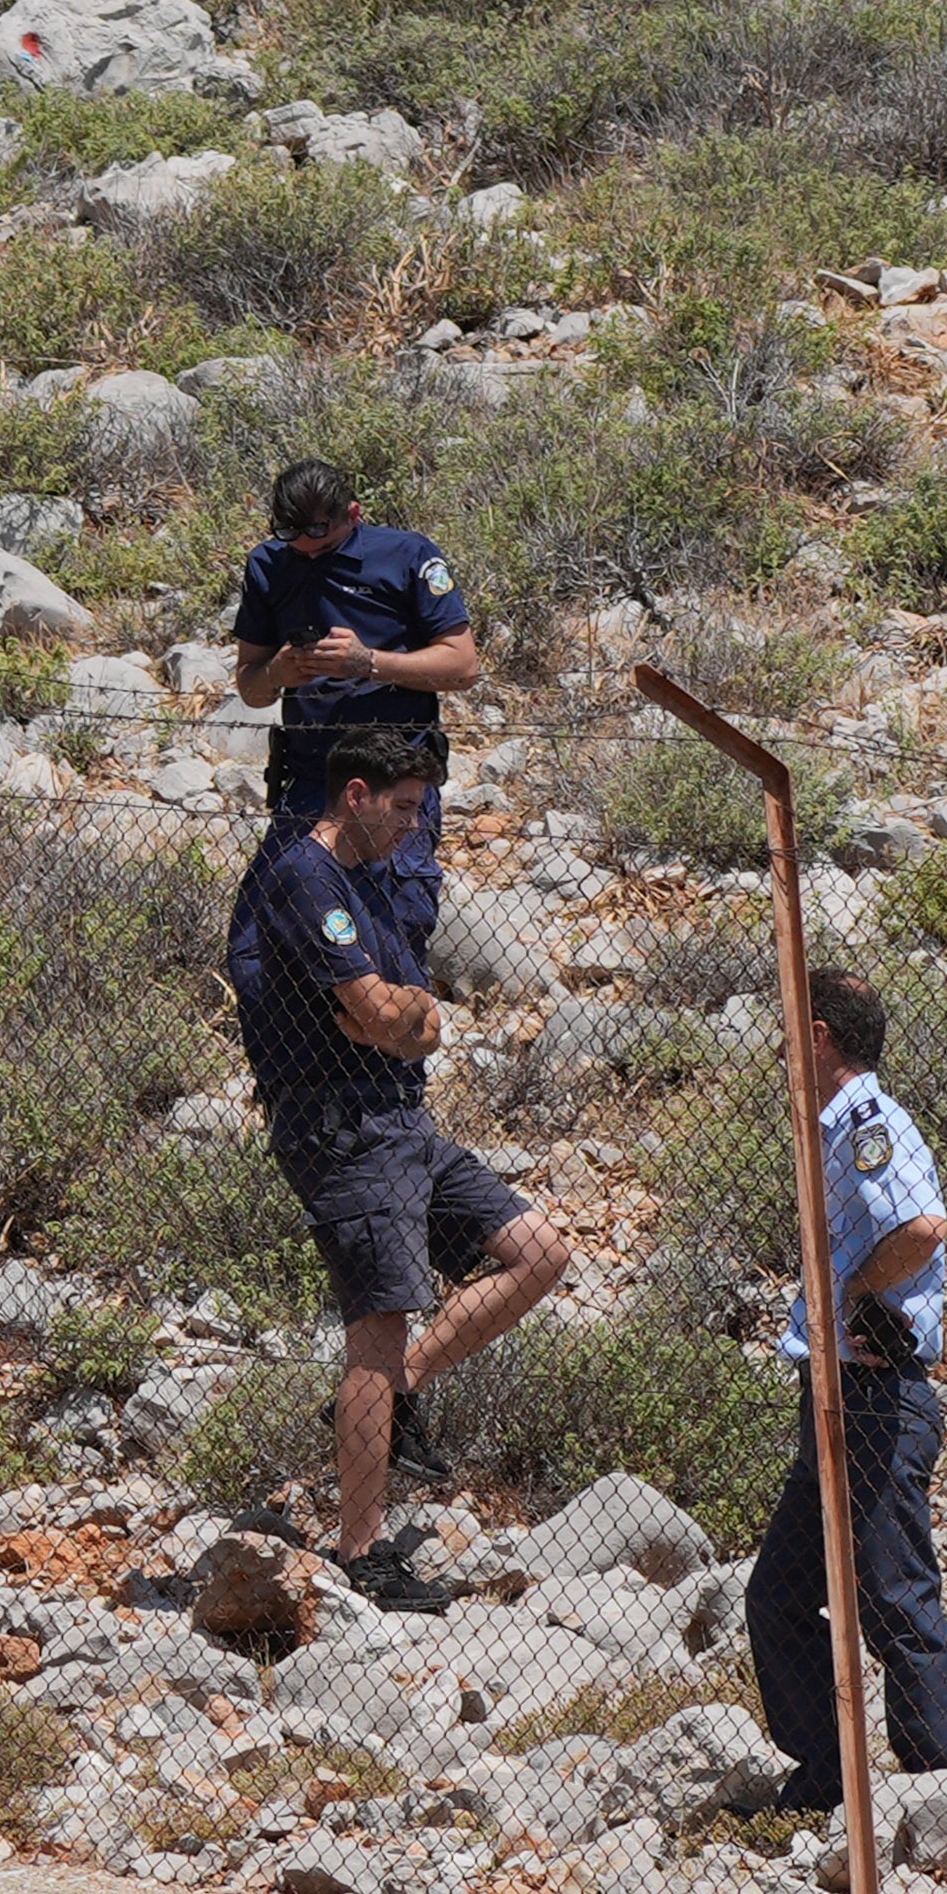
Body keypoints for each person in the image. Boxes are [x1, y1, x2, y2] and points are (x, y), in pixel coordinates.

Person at [226, 727, 570, 1612]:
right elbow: (380, 1012)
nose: (418, 826)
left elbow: (412, 1017)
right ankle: (362, 1552)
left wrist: (403, 1014)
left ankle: (398, 1398)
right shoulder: (309, 878)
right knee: (377, 1324)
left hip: (401, 1119)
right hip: (341, 1130)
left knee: (538, 1252)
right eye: (406, 807)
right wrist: (397, 1014)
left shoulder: (377, 878)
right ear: (356, 795)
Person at [748, 967, 947, 1813]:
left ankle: (937, 1797)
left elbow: (922, 1225)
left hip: (877, 1400)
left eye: (789, 1026)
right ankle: (827, 1776)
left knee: (896, 1596)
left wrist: (855, 1296)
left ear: (820, 1036)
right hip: (836, 1397)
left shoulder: (869, 1124)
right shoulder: (834, 1125)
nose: (780, 1043)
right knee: (779, 1594)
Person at [230, 458, 480, 963]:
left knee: (392, 931)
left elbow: (463, 666)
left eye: (323, 543)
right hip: (309, 780)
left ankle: (395, 1038)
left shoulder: (407, 555)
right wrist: (279, 673)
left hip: (394, 775)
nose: (309, 554)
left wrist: (368, 663)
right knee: (261, 938)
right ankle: (289, 1042)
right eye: (295, 543)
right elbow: (251, 688)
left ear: (354, 514)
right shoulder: (268, 565)